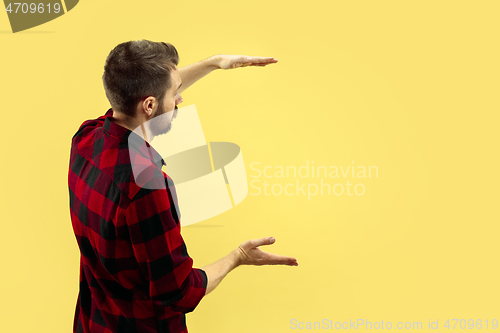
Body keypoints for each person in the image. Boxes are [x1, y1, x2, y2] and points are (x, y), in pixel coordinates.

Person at [68, 39, 298, 333]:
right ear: (149, 104)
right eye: (175, 93)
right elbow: (179, 292)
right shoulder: (145, 187)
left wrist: (213, 63)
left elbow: (143, 95)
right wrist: (237, 257)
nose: (179, 99)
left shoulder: (86, 138)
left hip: (93, 322)